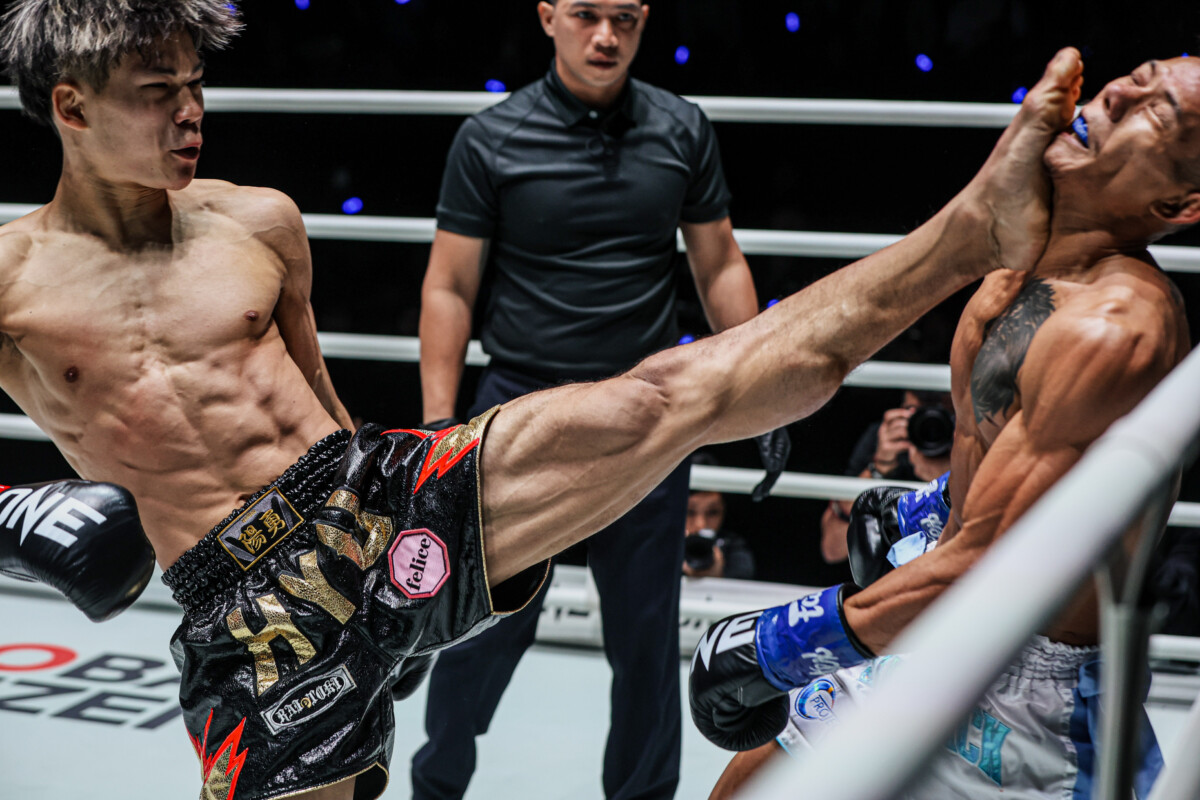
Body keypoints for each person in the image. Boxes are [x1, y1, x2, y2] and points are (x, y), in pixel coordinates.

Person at [0, 0, 1084, 795]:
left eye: (196, 84)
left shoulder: (258, 221)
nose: (192, 113)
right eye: (158, 93)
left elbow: (320, 398)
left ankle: (967, 231)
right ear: (70, 107)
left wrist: (400, 497)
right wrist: (15, 511)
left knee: (665, 395)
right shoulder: (11, 283)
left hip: (367, 493)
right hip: (250, 607)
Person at [691, 53, 1198, 800]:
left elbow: (996, 566)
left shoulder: (1115, 331)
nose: (1119, 93)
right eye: (1138, 75)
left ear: (1180, 204)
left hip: (1028, 697)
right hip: (937, 609)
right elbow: (1005, 460)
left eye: (1157, 111)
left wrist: (778, 644)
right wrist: (927, 507)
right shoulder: (1022, 260)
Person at [410, 3, 783, 798]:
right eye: (586, 15)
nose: (605, 37)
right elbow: (449, 286)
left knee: (646, 640)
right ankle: (437, 788)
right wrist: (440, 426)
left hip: (646, 412)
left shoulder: (681, 128)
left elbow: (718, 263)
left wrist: (762, 390)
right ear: (548, 18)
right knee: (480, 630)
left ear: (644, 19)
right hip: (519, 415)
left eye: (623, 18)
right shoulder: (491, 137)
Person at [820, 389, 953, 563]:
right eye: (914, 412)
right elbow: (832, 548)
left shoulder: (969, 440)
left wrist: (948, 479)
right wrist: (880, 467)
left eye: (940, 412)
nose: (929, 422)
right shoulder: (884, 437)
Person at [685, 453, 755, 580]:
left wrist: (720, 574)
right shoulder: (662, 542)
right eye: (690, 512)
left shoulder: (732, 545)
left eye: (712, 512)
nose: (701, 524)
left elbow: (744, 576)